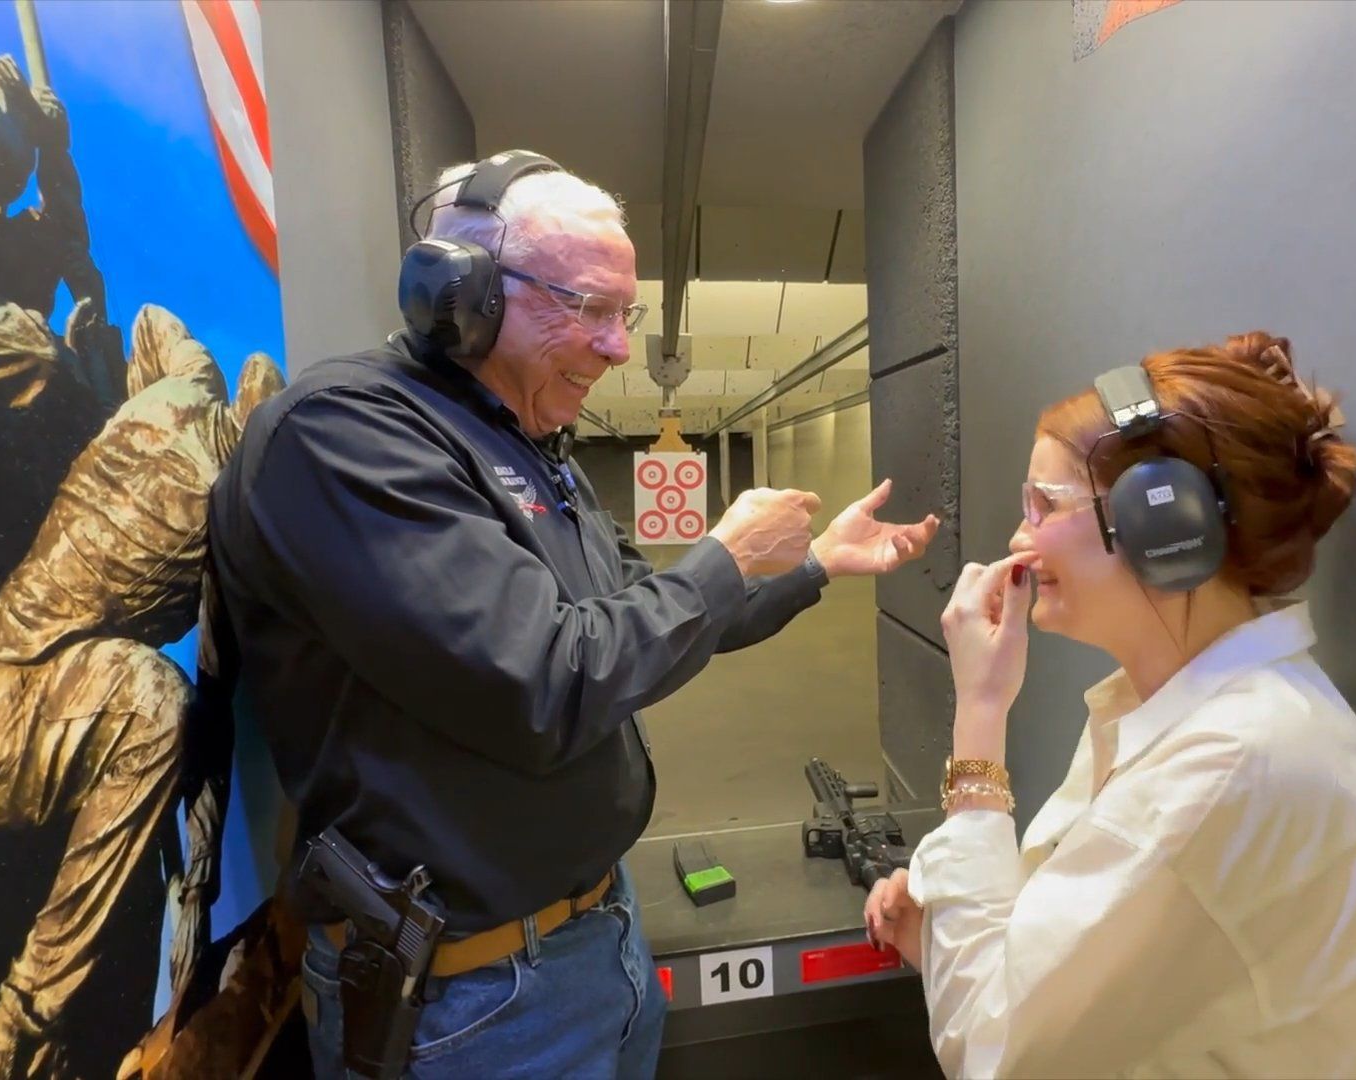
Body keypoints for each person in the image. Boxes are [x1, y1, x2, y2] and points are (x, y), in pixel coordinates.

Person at [206, 150, 938, 1079]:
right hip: (468, 1003)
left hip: (595, 937)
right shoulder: (345, 436)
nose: (619, 346)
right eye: (588, 306)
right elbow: (549, 683)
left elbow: (646, 616)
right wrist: (724, 554)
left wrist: (815, 564)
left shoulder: (527, 442)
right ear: (461, 294)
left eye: (624, 314)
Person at [866, 332, 1356, 1077]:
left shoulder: (1228, 768)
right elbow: (1069, 968)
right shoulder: (1180, 715)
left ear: (1164, 523)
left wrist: (980, 714)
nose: (1019, 536)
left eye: (1044, 505)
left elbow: (993, 1053)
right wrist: (948, 941)